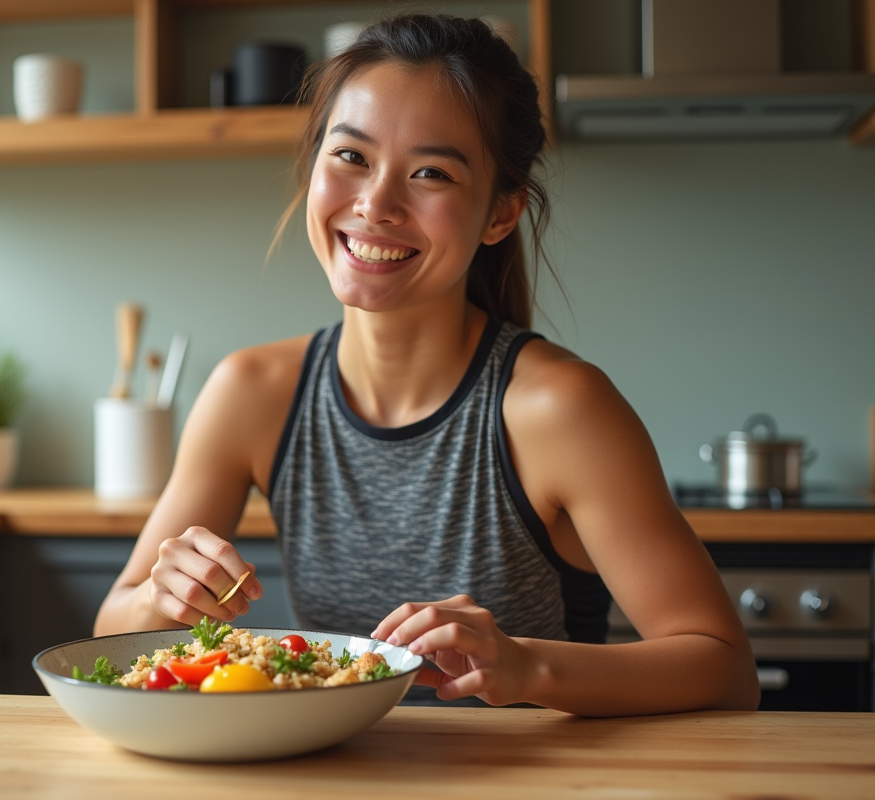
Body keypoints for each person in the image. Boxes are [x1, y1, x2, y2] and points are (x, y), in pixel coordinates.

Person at [95, 14, 759, 716]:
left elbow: (725, 668)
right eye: (350, 157)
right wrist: (159, 598)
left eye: (430, 173)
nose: (376, 203)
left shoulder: (558, 408)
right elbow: (113, 634)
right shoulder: (252, 392)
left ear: (500, 214)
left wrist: (527, 666)